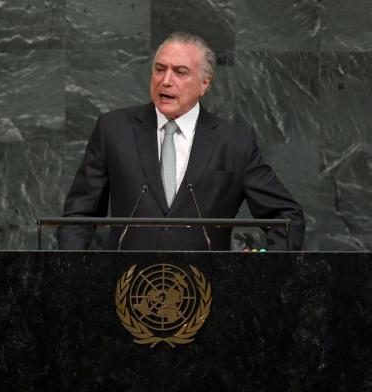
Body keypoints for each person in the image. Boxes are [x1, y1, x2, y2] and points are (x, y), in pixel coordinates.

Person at [58, 32, 305, 251]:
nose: (165, 80)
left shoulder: (234, 143)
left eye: (180, 72)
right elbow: (79, 215)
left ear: (204, 84)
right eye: (159, 69)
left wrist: (268, 269)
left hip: (205, 293)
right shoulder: (113, 129)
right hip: (127, 290)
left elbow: (287, 216)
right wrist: (73, 270)